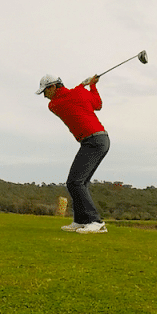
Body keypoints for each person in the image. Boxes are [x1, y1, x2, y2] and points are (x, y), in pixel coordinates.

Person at [37, 74, 110, 234]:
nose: (44, 96)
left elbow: (96, 105)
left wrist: (86, 85)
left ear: (53, 87)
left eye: (45, 91)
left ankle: (96, 222)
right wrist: (90, 86)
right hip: (96, 140)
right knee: (79, 182)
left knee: (75, 182)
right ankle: (81, 221)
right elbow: (96, 104)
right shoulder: (59, 102)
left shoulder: (66, 97)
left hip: (95, 140)